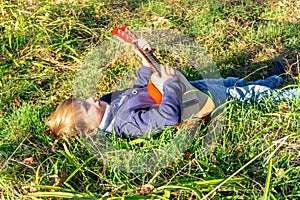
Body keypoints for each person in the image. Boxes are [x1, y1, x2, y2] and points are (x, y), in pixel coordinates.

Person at [48, 40, 299, 138]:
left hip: (190, 88)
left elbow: (140, 88)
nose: (93, 99)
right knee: (244, 95)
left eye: (85, 99)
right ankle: (289, 95)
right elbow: (167, 117)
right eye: (87, 107)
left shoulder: (110, 104)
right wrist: (168, 85)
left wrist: (146, 62)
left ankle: (277, 80)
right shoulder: (126, 123)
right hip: (194, 101)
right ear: (89, 129)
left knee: (233, 82)